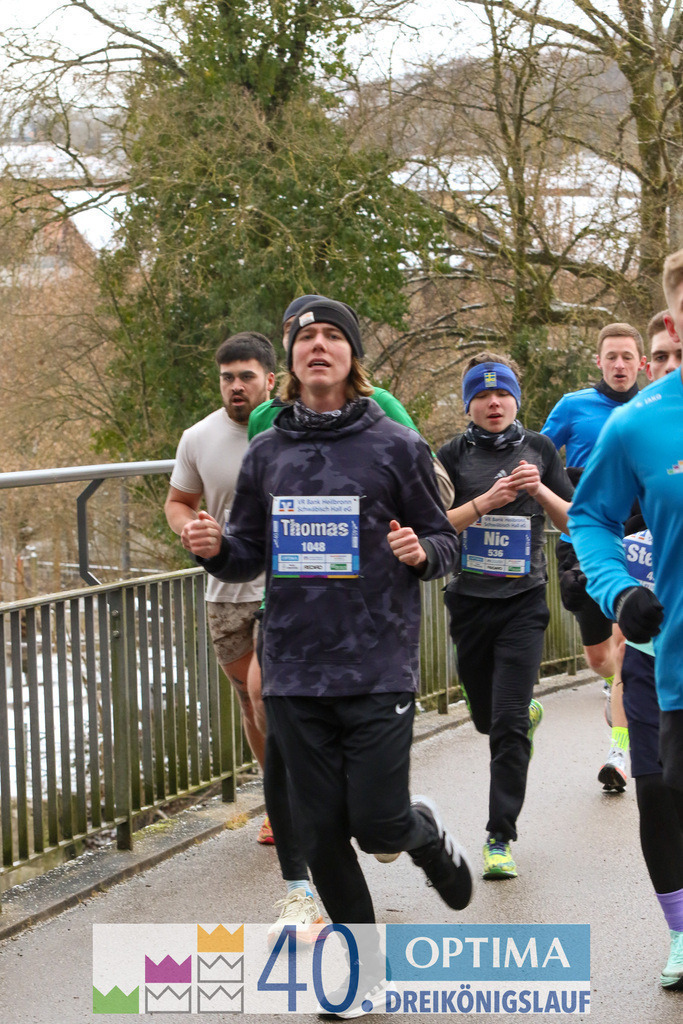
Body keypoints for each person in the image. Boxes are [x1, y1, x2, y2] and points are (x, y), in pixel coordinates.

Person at [186, 297, 472, 1016]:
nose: (317, 346)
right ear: (290, 359)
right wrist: (217, 548)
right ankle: (362, 975)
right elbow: (248, 550)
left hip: (376, 661)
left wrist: (420, 551)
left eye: (331, 337)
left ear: (351, 357)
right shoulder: (268, 452)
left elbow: (446, 542)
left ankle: (423, 832)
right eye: (305, 338)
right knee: (319, 833)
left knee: (375, 824)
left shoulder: (394, 446)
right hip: (292, 666)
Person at [569, 265, 683, 989]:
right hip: (675, 667)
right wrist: (616, 589)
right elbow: (589, 516)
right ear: (671, 325)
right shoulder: (639, 421)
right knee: (663, 802)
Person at [438, 353, 573, 880]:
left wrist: (539, 488)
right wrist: (486, 501)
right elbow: (436, 529)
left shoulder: (539, 448)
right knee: (485, 721)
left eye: (502, 394)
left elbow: (574, 520)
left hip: (524, 602)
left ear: (516, 397)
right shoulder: (448, 456)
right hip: (469, 603)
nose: (493, 403)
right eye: (481, 395)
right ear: (469, 403)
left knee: (509, 724)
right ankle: (519, 717)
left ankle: (500, 836)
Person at [164, 332, 278, 842]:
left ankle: (301, 798)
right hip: (226, 590)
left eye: (246, 377)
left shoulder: (290, 429)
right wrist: (189, 528)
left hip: (288, 586)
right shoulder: (198, 437)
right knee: (251, 703)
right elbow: (178, 501)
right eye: (227, 378)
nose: (236, 387)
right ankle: (278, 796)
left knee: (273, 695)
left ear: (270, 380)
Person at [541, 323, 647, 791]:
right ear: (599, 362)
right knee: (601, 655)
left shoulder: (656, 406)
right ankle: (613, 685)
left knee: (627, 643)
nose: (620, 365)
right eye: (612, 357)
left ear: (641, 362)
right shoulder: (573, 407)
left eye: (628, 357)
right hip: (584, 532)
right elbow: (539, 455)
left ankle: (619, 751)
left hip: (639, 529)